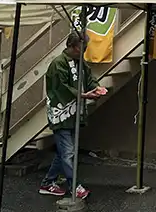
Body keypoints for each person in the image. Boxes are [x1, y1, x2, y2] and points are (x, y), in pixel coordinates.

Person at [38, 32, 106, 199]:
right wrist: (83, 95)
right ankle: (74, 186)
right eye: (82, 48)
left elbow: (89, 79)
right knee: (68, 152)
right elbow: (61, 88)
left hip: (74, 113)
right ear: (73, 47)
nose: (84, 51)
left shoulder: (79, 62)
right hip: (61, 113)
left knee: (64, 152)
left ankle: (48, 182)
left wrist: (96, 87)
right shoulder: (58, 64)